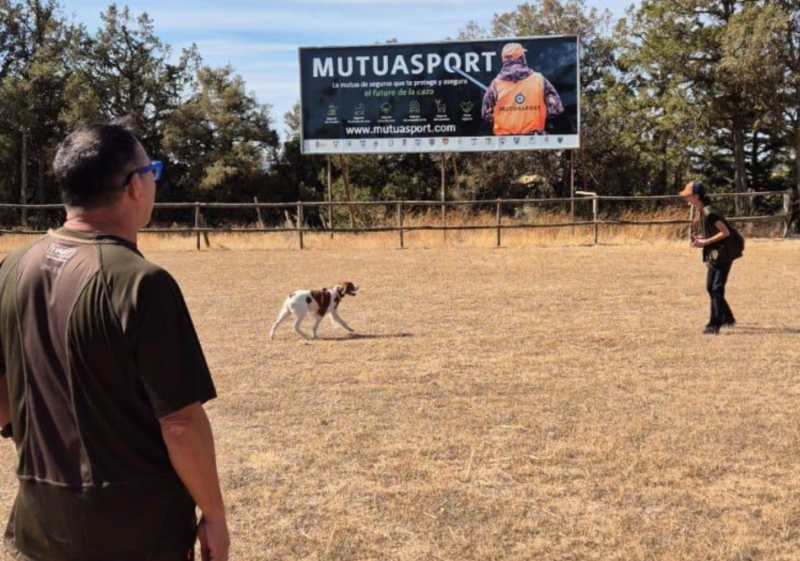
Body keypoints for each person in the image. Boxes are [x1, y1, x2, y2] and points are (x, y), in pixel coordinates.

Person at [0, 123, 229, 561]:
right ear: (133, 188)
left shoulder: (12, 268)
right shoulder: (142, 283)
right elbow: (180, 423)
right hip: (137, 531)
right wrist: (214, 514)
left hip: (41, 525)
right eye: (152, 170)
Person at [680, 180, 744, 335]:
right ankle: (727, 317)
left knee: (716, 288)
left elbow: (725, 232)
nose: (686, 199)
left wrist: (704, 242)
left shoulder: (709, 213)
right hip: (715, 252)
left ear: (696, 196)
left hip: (724, 252)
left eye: (688, 196)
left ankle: (714, 324)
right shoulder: (701, 210)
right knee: (711, 287)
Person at [481, 42, 564, 136]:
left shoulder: (495, 84)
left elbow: (486, 115)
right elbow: (556, 109)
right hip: (534, 139)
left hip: (504, 142)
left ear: (504, 60)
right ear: (522, 58)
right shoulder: (539, 79)